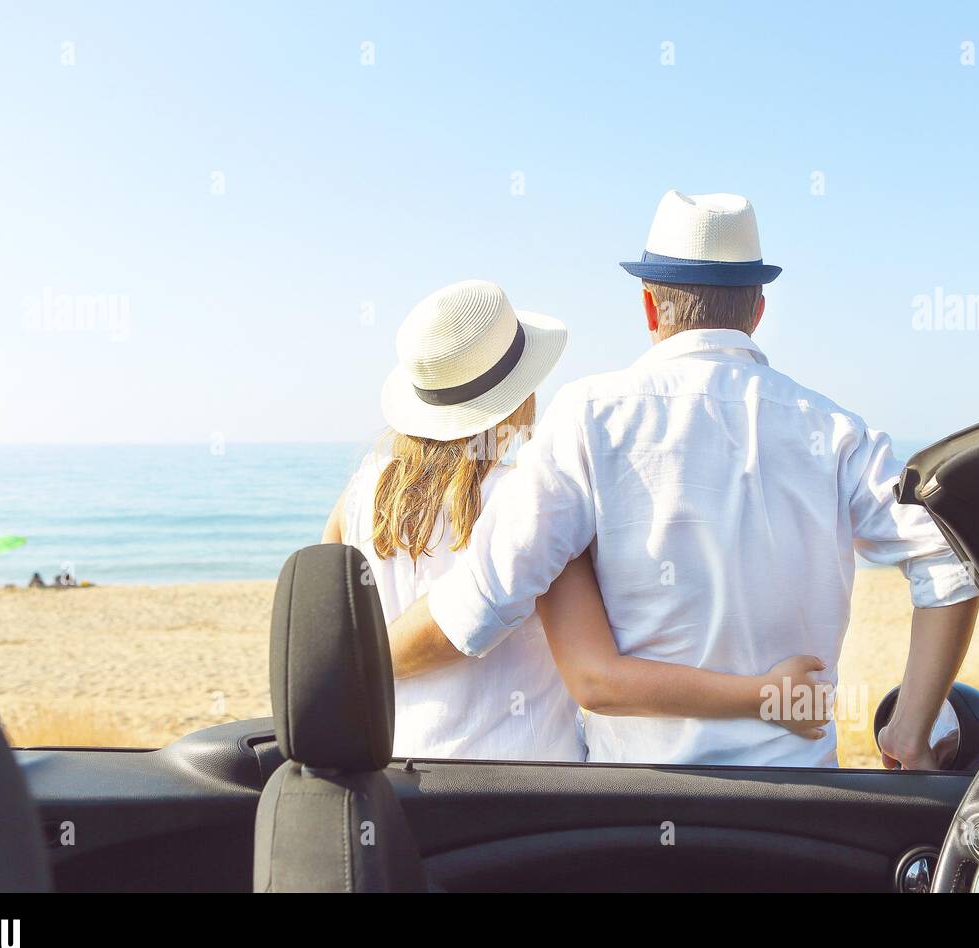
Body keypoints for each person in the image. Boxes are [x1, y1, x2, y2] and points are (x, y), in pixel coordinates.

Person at [388, 191, 979, 769]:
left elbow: (480, 603)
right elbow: (953, 561)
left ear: (649, 306)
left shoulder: (587, 417)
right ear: (757, 312)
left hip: (639, 805)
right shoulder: (834, 431)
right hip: (804, 802)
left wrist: (350, 664)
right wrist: (910, 729)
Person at [324, 279, 828, 763]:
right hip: (519, 787)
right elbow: (598, 681)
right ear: (522, 395)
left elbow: (329, 642)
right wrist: (762, 696)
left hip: (395, 775)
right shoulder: (530, 502)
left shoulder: (357, 499)